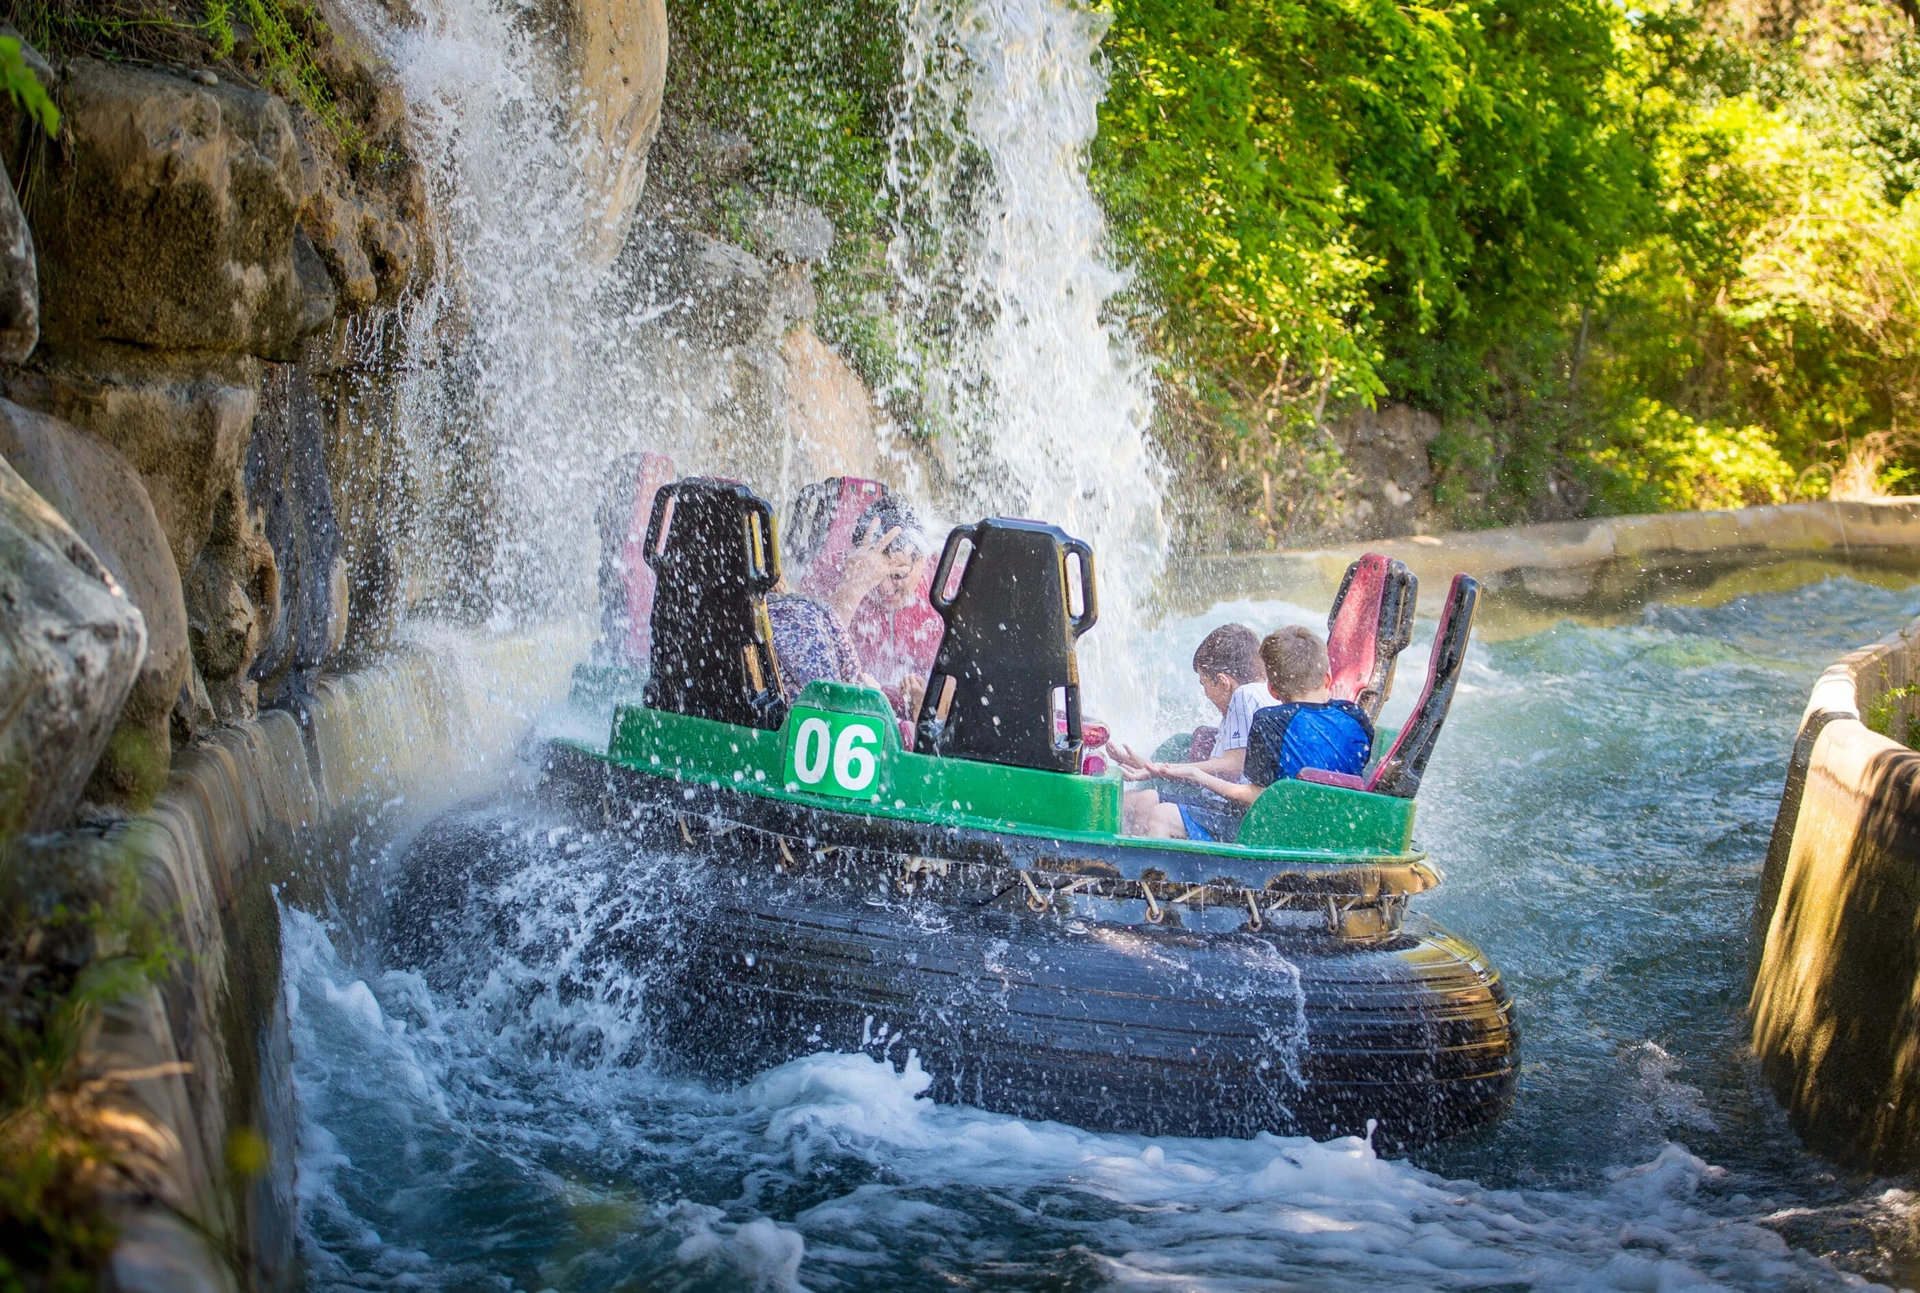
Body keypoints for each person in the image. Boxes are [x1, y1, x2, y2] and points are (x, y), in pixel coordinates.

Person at [1137, 625, 1374, 842]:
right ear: (1327, 679)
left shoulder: (1270, 720)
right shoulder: (1356, 716)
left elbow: (1255, 797)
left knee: (1162, 815)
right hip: (1335, 832)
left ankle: (1159, 886)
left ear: (1272, 689)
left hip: (1274, 832)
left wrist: (1196, 774)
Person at [1109, 624, 1269, 834]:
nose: (1205, 693)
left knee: (1151, 808)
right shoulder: (1262, 694)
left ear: (1223, 682)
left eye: (1204, 683)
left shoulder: (1244, 696)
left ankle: (1138, 864)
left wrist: (1169, 770)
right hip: (1227, 803)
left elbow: (1232, 766)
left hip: (1233, 810)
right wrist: (1151, 766)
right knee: (1140, 799)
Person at [768, 485, 905, 701]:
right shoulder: (830, 573)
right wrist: (853, 587)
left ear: (925, 561)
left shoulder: (949, 594)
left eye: (899, 574)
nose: (885, 588)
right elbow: (807, 657)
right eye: (876, 574)